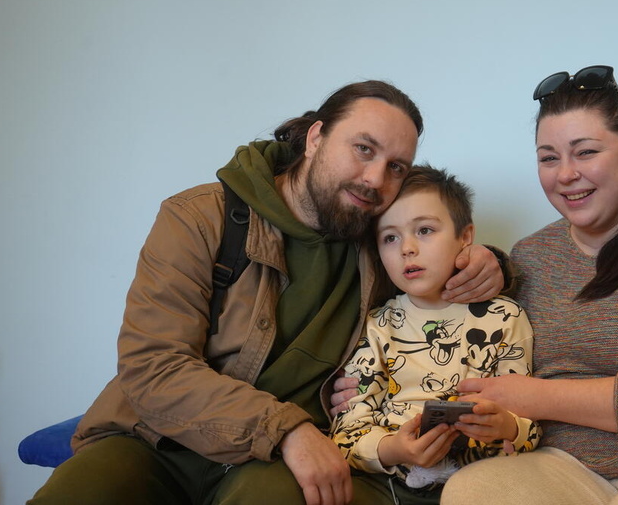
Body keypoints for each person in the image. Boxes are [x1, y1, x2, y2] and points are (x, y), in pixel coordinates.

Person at [333, 66, 618, 505]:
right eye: (548, 158)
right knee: (473, 493)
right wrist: (366, 391)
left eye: (586, 152)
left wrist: (534, 396)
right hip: (563, 461)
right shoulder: (529, 257)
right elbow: (449, 328)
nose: (566, 174)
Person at [29, 80, 508, 505]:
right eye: (364, 149)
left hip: (272, 468)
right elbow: (153, 366)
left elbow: (441, 265)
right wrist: (286, 429)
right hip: (155, 441)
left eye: (397, 167)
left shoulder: (378, 243)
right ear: (316, 138)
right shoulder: (198, 217)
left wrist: (492, 262)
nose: (376, 180)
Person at [331, 165, 540, 503]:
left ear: (466, 236)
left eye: (424, 230)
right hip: (392, 485)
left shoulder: (506, 318)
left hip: (485, 483)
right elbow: (347, 434)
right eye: (390, 237)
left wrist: (509, 428)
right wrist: (392, 449)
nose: (407, 248)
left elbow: (531, 423)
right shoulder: (375, 327)